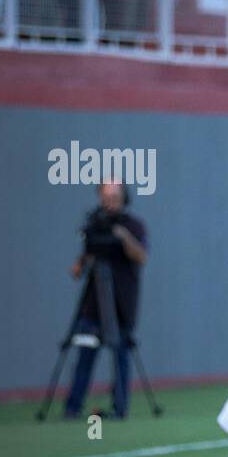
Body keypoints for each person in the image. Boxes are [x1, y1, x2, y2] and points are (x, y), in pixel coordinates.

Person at [63, 180, 149, 420]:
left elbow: (142, 257)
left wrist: (122, 237)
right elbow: (82, 261)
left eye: (115, 197)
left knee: (120, 355)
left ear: (124, 198)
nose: (110, 202)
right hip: (93, 305)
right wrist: (79, 266)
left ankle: (120, 407)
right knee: (84, 356)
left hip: (121, 304)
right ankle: (72, 407)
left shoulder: (134, 226)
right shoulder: (95, 225)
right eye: (106, 196)